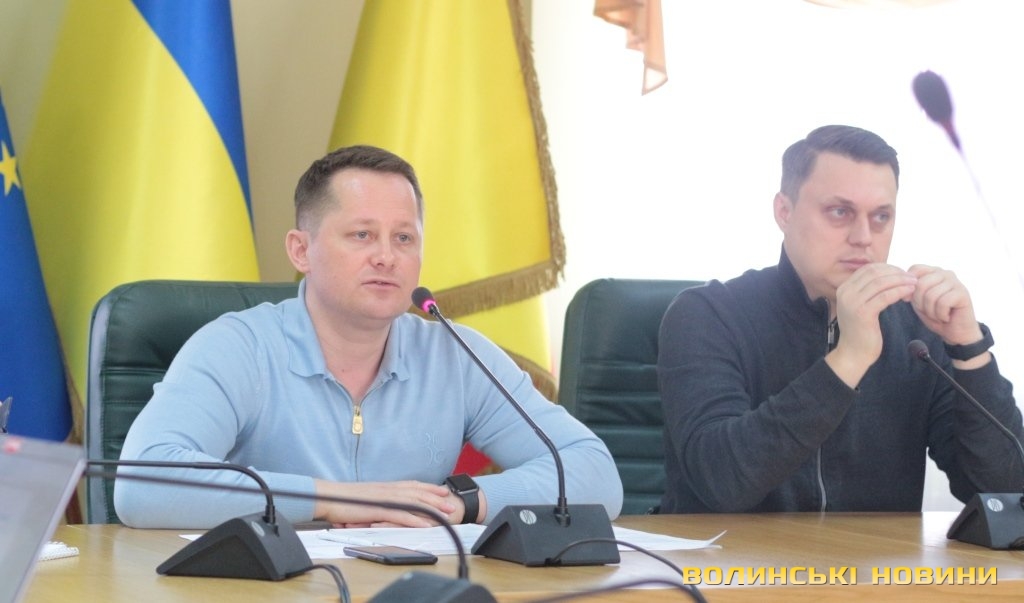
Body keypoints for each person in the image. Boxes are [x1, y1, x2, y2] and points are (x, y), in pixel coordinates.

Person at [115, 144, 623, 529]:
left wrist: (461, 503)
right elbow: (142, 484)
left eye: (404, 238)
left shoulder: (453, 354)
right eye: (362, 235)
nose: (386, 257)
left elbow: (595, 472)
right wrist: (336, 499)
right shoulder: (238, 347)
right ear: (300, 250)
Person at [657, 124, 1024, 514]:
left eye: (881, 217)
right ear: (784, 212)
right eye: (839, 212)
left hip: (869, 556)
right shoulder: (708, 315)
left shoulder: (919, 333)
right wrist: (850, 359)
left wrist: (969, 349)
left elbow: (1004, 494)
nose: (863, 237)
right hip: (730, 555)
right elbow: (722, 483)